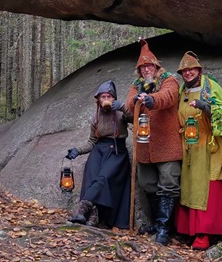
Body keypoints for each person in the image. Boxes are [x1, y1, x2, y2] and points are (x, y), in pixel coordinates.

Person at [124, 38, 182, 245]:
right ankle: (156, 224)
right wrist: (137, 99)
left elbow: (169, 96)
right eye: (142, 67)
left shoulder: (169, 79)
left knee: (169, 183)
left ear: (156, 66)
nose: (146, 69)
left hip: (167, 144)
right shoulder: (137, 84)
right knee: (147, 184)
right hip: (145, 146)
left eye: (149, 66)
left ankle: (165, 229)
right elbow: (129, 102)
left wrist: (152, 100)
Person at [174, 51, 222, 250]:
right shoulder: (183, 90)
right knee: (190, 186)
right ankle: (189, 231)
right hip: (189, 146)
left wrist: (204, 106)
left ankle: (204, 233)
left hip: (209, 146)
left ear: (199, 70)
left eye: (191, 69)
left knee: (207, 187)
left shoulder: (210, 87)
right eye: (184, 70)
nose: (188, 73)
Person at [65, 80, 132, 229]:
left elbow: (136, 119)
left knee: (103, 178)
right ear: (98, 100)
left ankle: (81, 208)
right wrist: (78, 150)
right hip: (98, 150)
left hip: (116, 151)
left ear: (113, 98)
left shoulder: (121, 112)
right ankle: (93, 217)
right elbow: (91, 141)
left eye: (109, 96)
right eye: (103, 97)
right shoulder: (95, 116)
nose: (106, 99)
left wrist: (122, 106)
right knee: (91, 178)